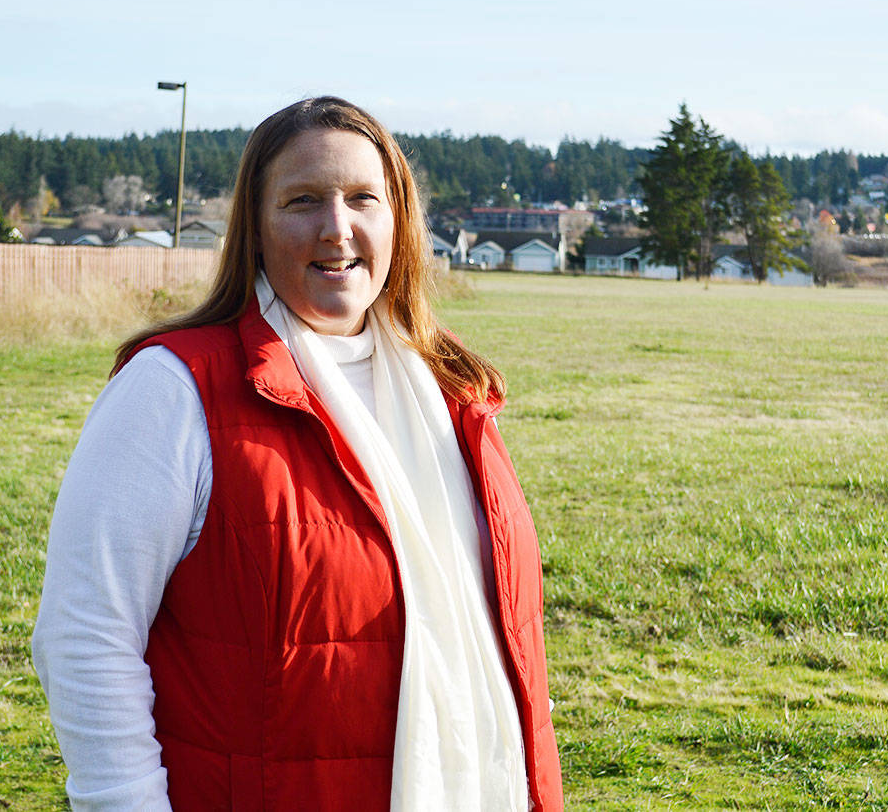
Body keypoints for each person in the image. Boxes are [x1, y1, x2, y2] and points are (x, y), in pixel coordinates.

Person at [32, 97, 562, 811]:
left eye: (363, 198)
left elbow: (507, 639)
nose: (336, 227)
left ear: (399, 221)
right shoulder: (173, 388)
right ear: (254, 228)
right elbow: (85, 634)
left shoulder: (451, 391)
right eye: (303, 200)